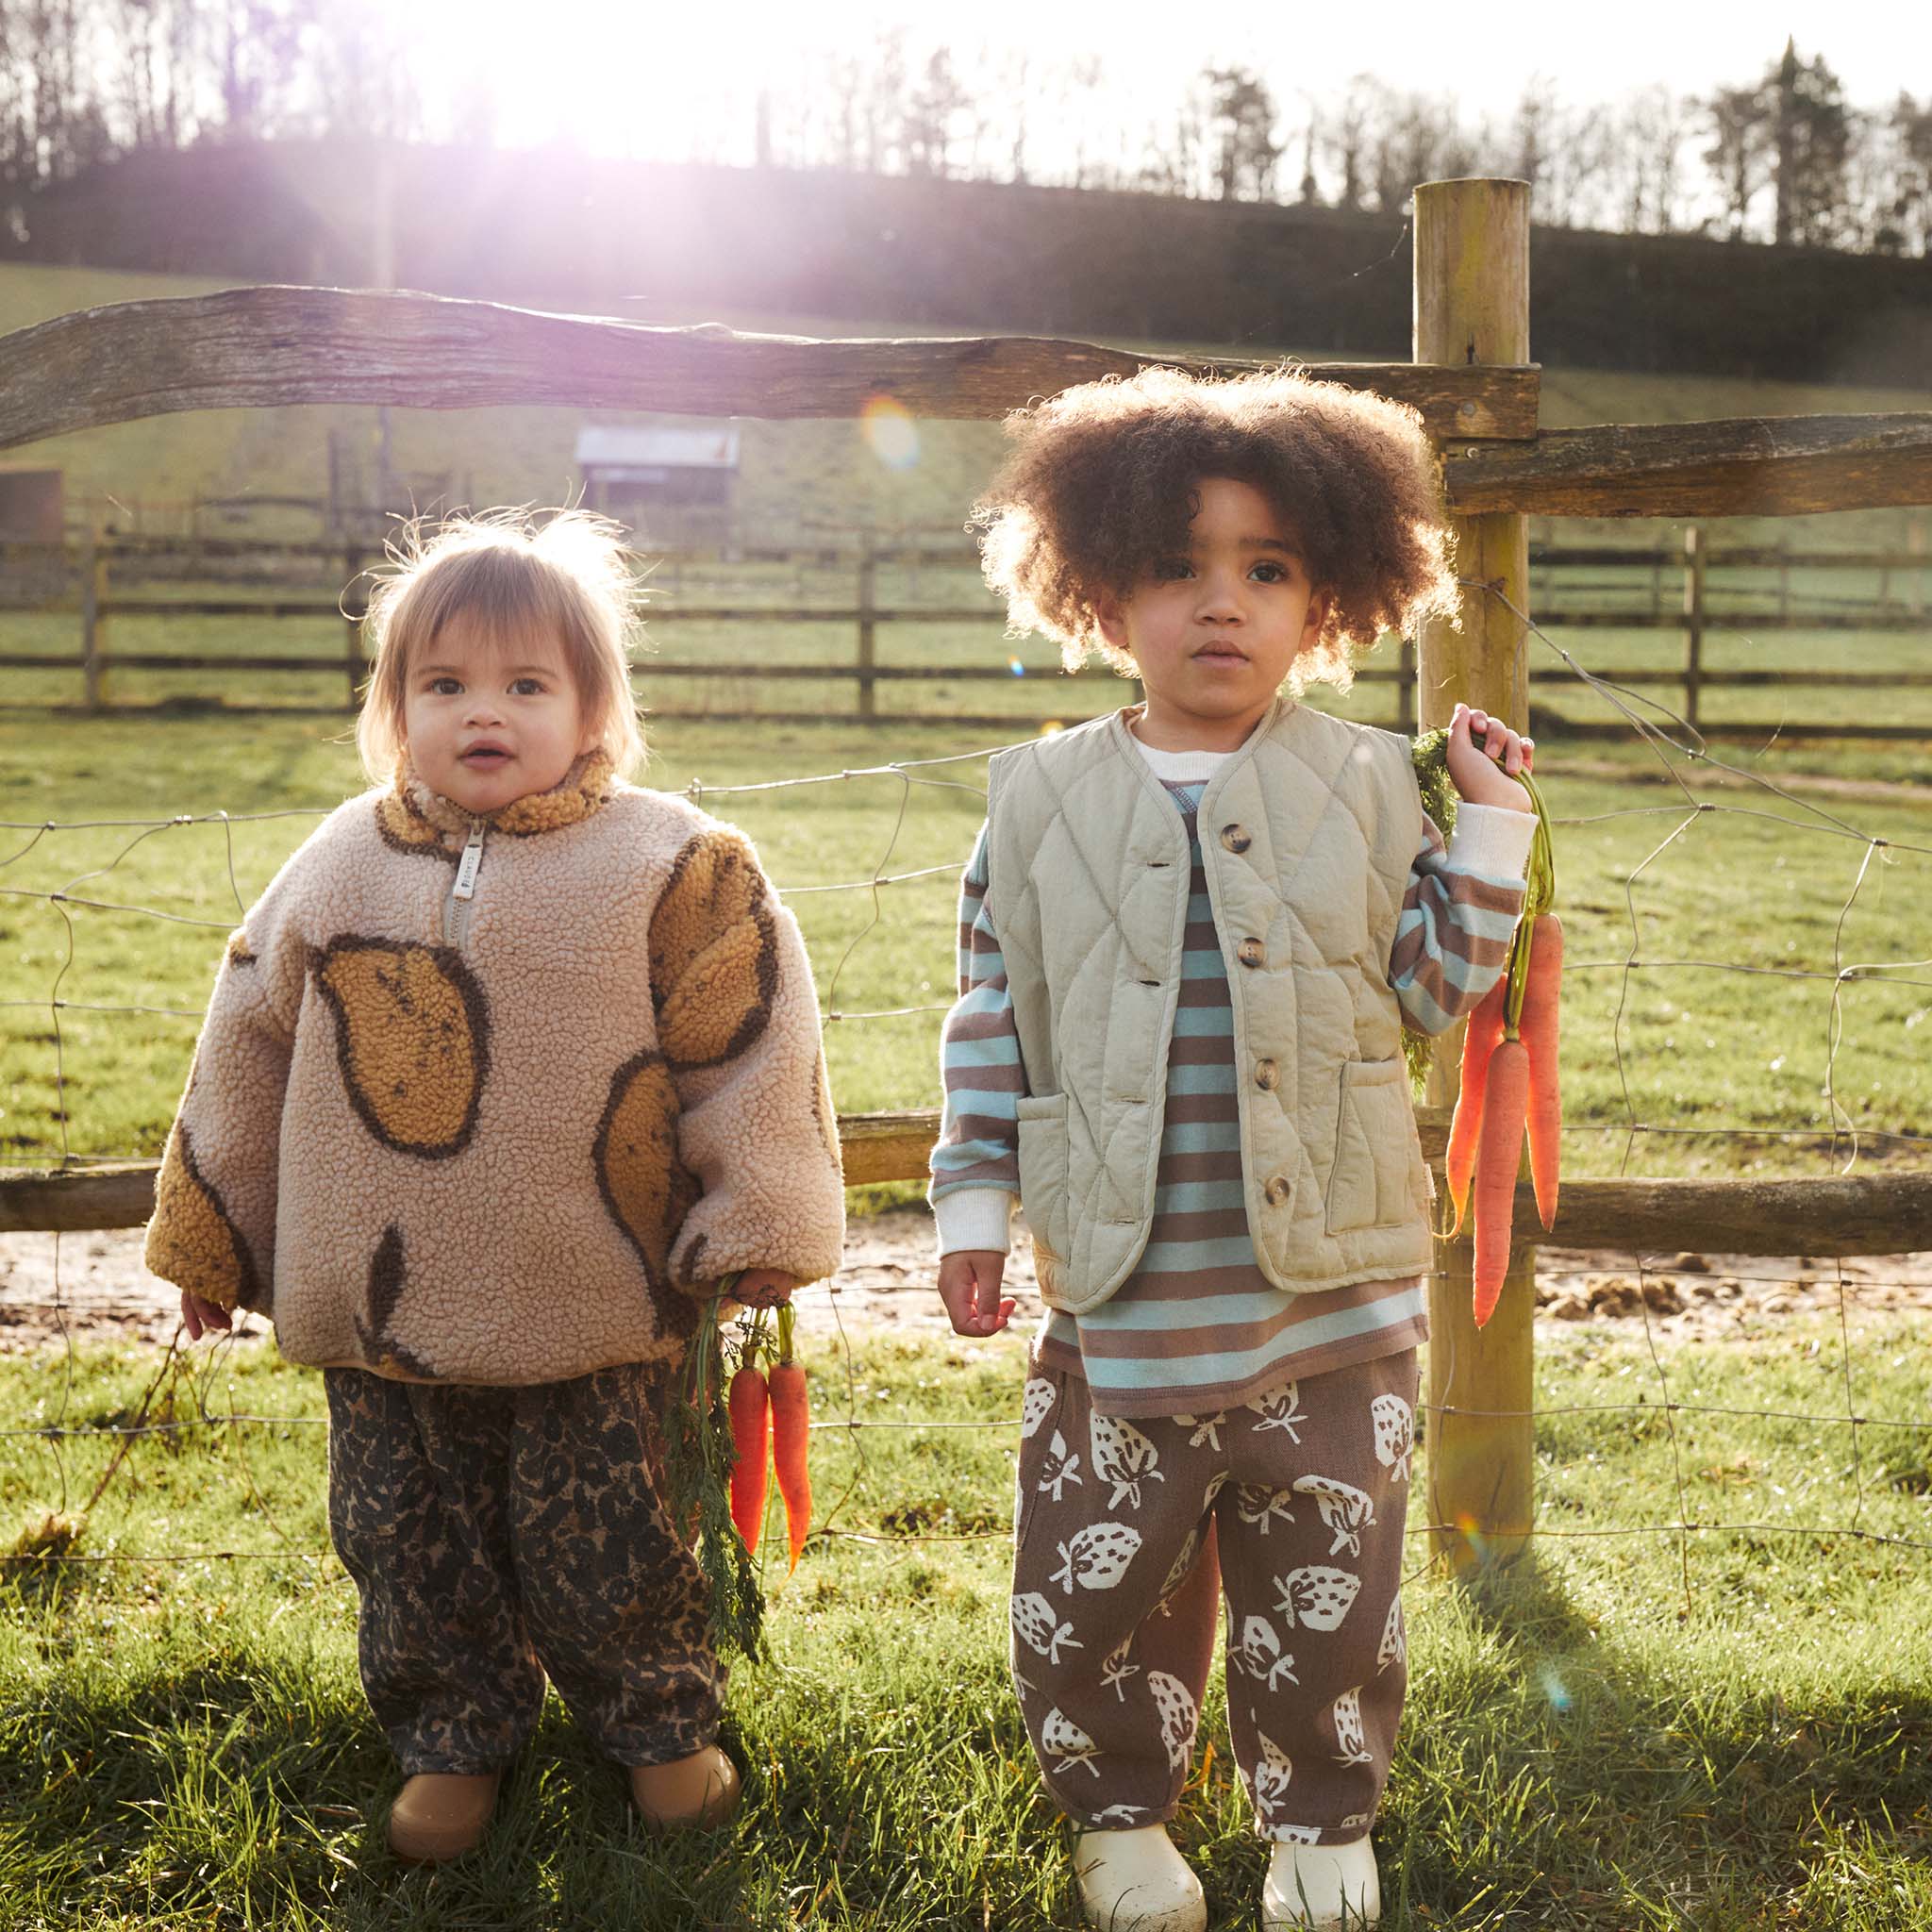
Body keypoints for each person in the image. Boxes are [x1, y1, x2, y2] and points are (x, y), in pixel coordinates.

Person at [143, 508, 846, 1865]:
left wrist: (757, 1221)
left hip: (598, 1291)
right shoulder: (341, 861)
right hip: (386, 1308)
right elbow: (245, 1044)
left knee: (617, 1535)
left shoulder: (671, 860)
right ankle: (452, 1734)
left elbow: (751, 1040)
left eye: (528, 685)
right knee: (409, 1536)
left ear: (593, 708)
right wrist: (216, 1243)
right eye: (445, 685)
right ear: (394, 706)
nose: (485, 712)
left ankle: (658, 1726)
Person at [930, 369, 1538, 1931]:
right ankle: (1120, 1813)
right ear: (1096, 588)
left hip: (1333, 1292)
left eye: (1266, 568)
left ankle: (1321, 1816)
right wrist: (974, 1204)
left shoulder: (1361, 782)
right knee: (1095, 1574)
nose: (1222, 603)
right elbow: (993, 1011)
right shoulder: (1038, 796)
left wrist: (1486, 833)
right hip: (1124, 1290)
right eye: (1176, 567)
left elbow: (1430, 989)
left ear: (1331, 593)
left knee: (1330, 1575)